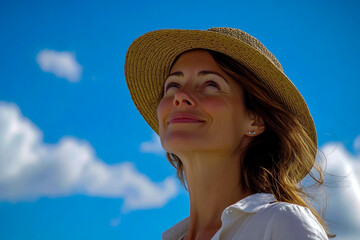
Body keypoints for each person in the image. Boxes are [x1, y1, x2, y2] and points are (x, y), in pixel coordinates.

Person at [124, 27, 332, 240]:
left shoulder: (281, 224)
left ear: (256, 119)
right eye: (173, 85)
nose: (180, 96)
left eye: (211, 84)